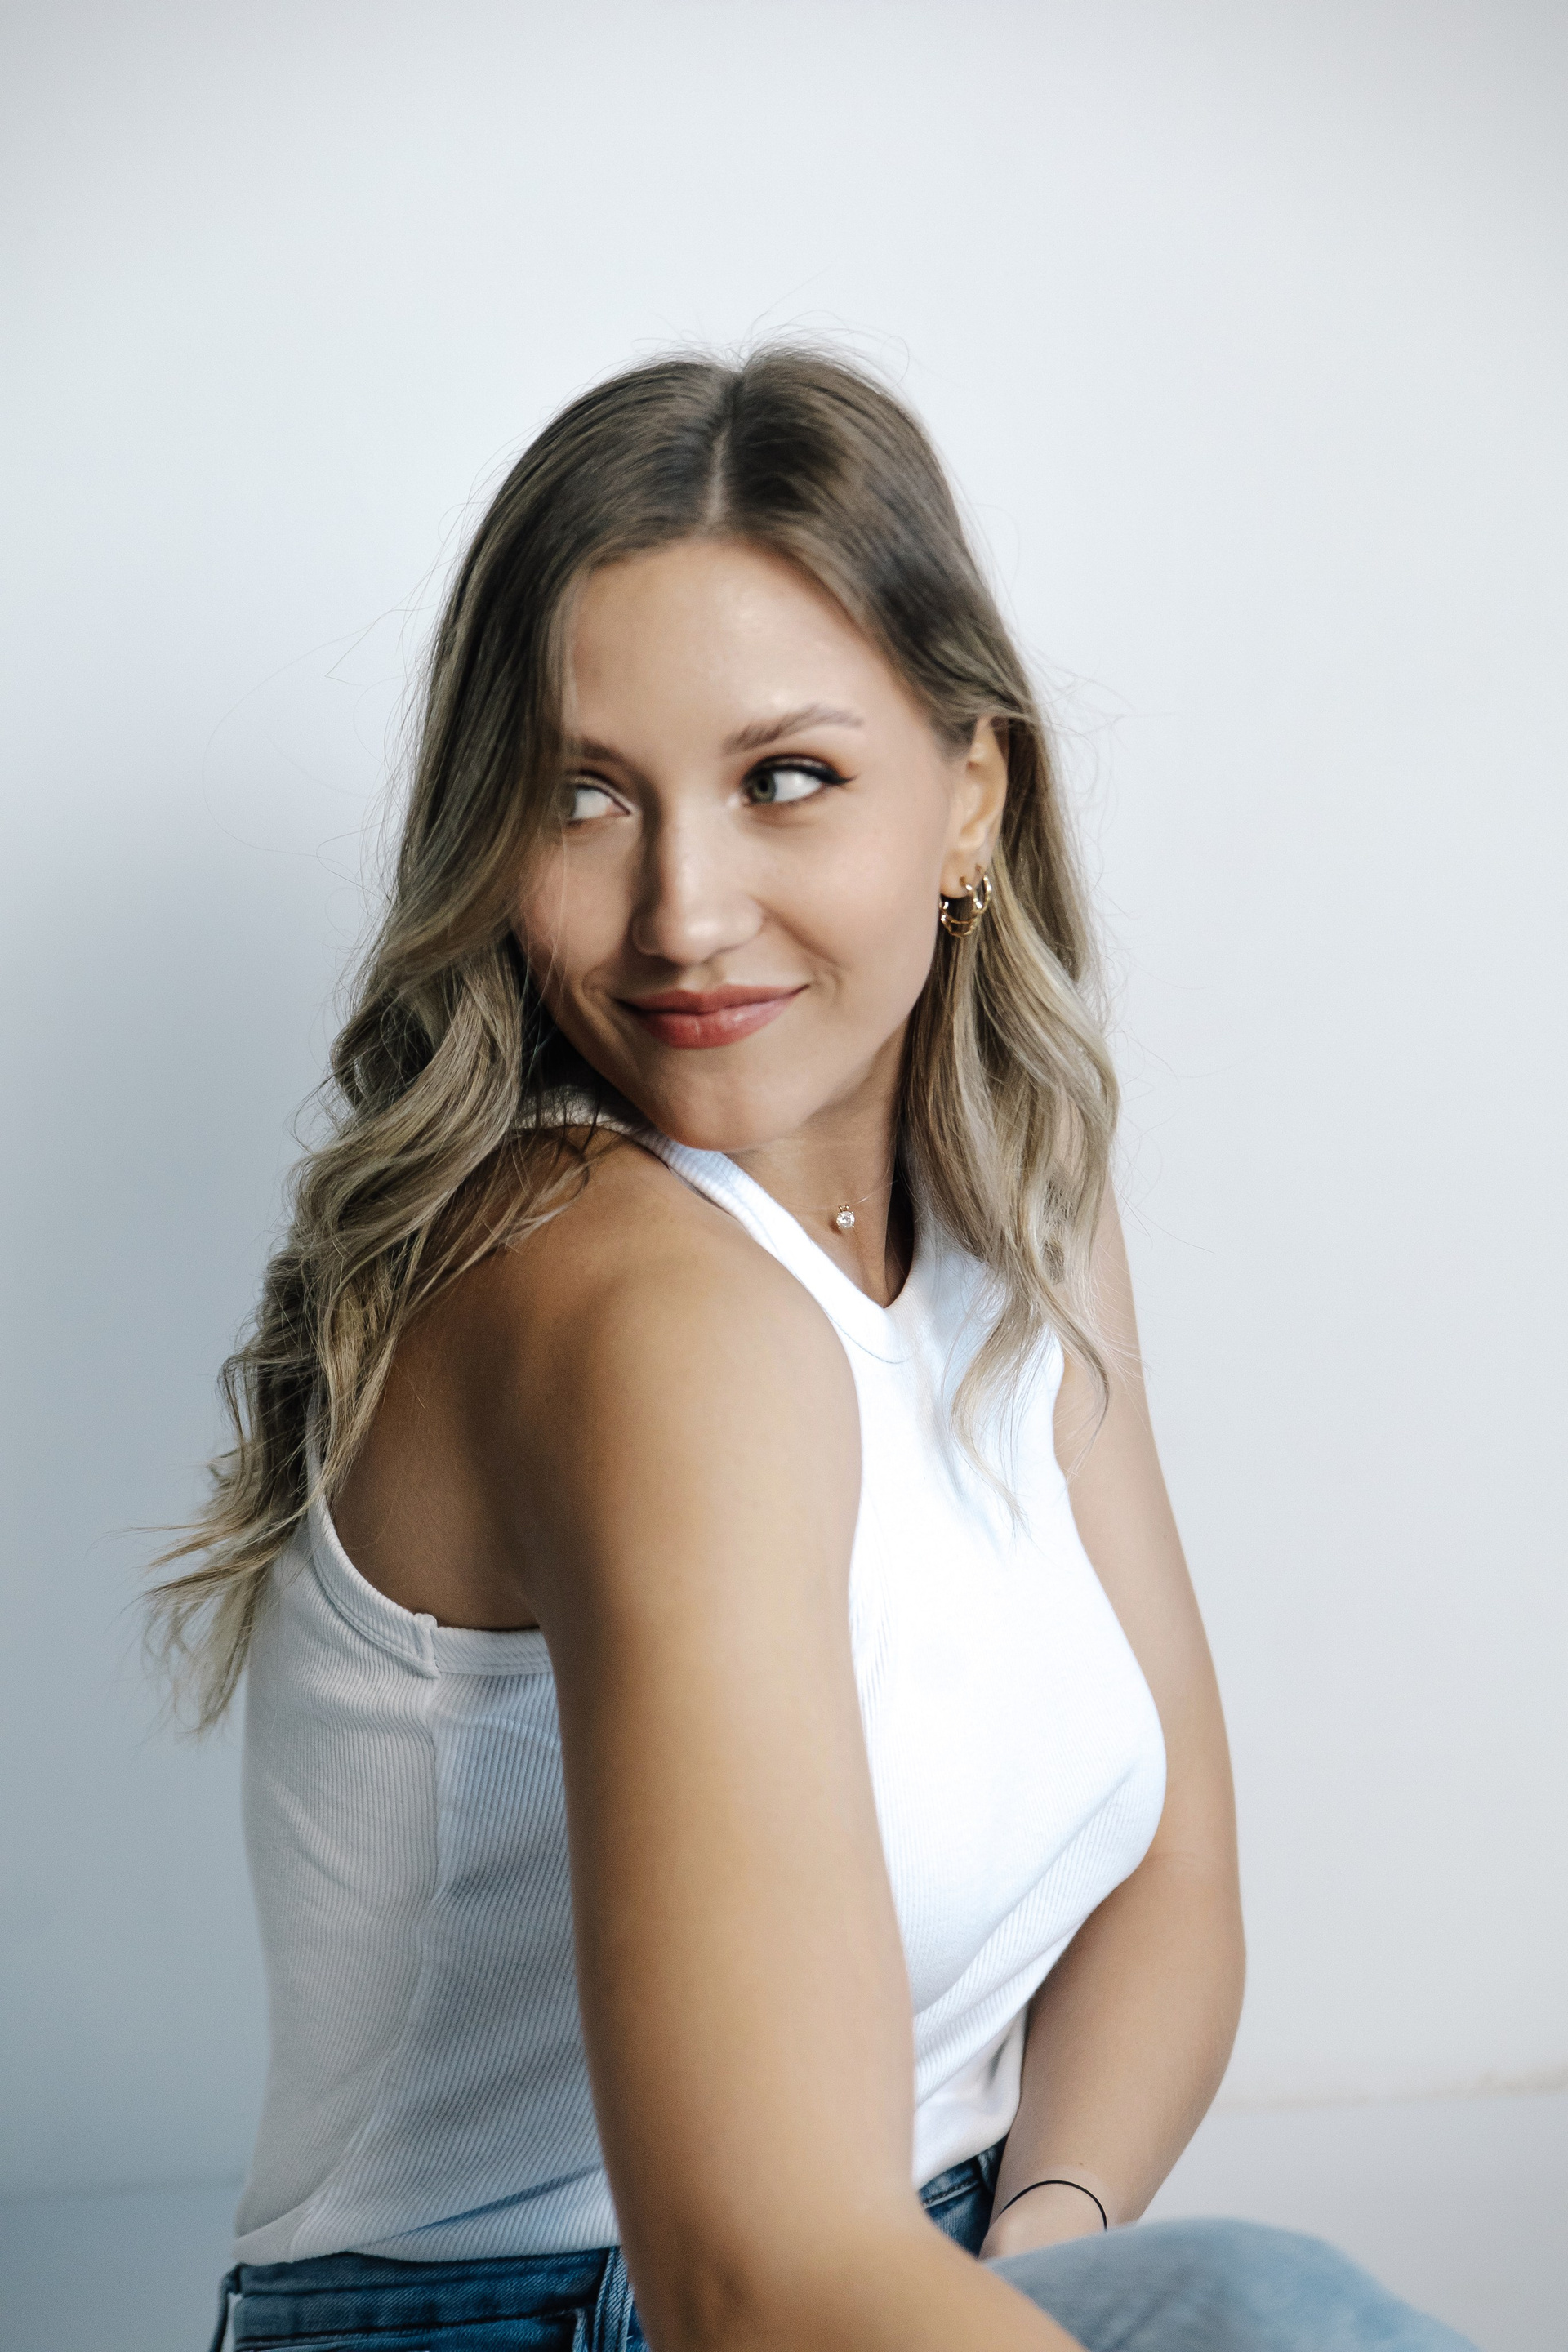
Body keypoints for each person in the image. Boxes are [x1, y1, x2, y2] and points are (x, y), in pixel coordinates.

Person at [152, 349, 1472, 2352]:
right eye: (585, 797)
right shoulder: (629, 1303)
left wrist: (1047, 2244)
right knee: (1272, 2308)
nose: (684, 914)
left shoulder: (1017, 1206)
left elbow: (1173, 1879)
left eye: (784, 780)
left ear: (970, 797)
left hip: (918, 2261)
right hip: (567, 2313)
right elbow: (755, 2284)